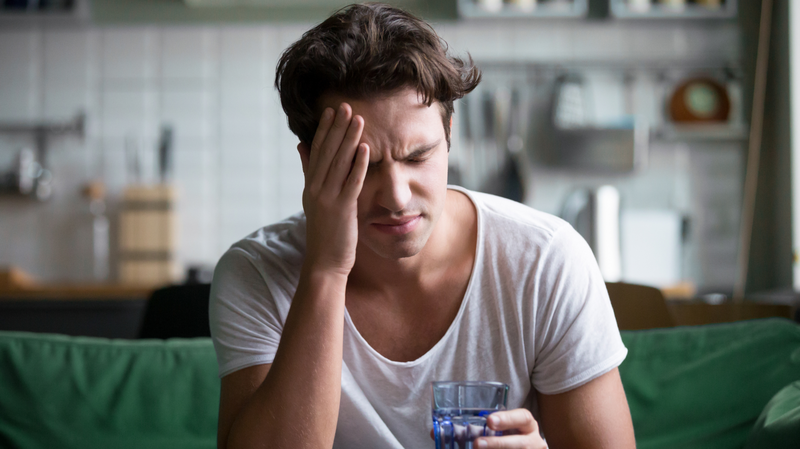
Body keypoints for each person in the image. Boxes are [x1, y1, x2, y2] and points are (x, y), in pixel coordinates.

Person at [209, 3, 636, 449]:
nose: (396, 196)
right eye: (362, 165)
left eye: (418, 157)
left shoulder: (546, 261)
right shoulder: (256, 273)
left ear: (448, 133)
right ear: (310, 164)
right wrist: (326, 269)